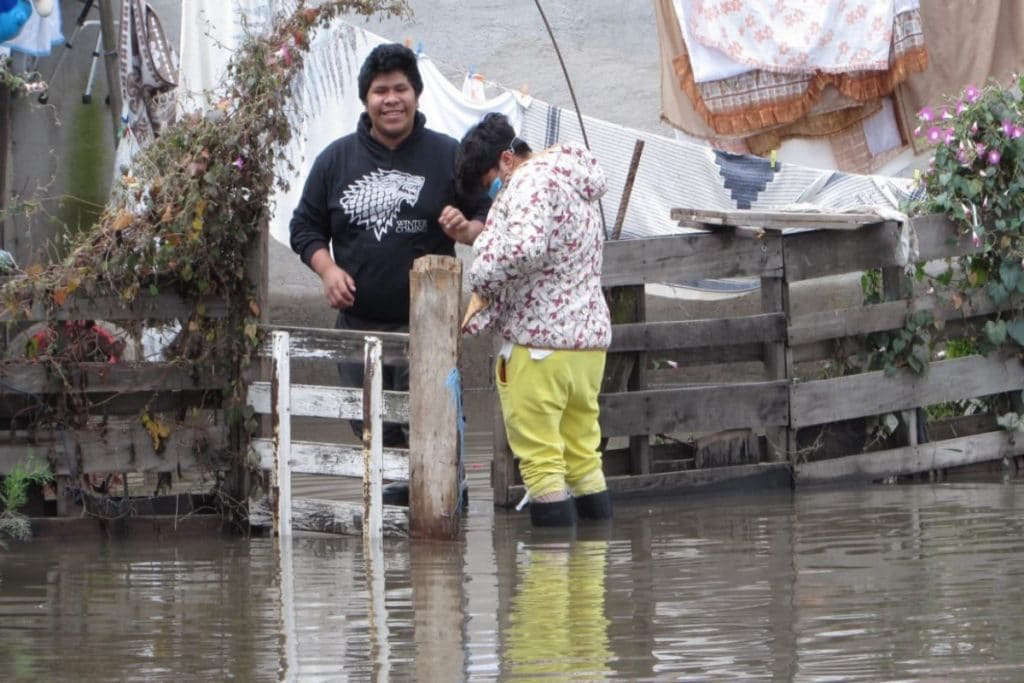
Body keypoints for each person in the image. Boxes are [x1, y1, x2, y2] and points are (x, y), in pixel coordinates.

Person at [289, 43, 487, 452]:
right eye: (381, 91)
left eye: (401, 88)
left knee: (432, 432)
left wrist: (466, 229)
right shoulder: (336, 161)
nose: (392, 99)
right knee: (372, 434)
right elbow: (304, 226)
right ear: (366, 100)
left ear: (416, 94)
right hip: (360, 328)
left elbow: (487, 217)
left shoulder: (448, 155)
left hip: (428, 327)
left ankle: (437, 512)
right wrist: (327, 270)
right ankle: (390, 509)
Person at [451, 113, 613, 527]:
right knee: (583, 458)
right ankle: (590, 579)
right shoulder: (571, 179)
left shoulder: (528, 181)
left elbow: (524, 249)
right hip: (587, 347)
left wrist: (482, 257)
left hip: (539, 346)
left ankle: (548, 587)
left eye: (491, 184)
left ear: (507, 160)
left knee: (542, 466)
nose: (494, 194)